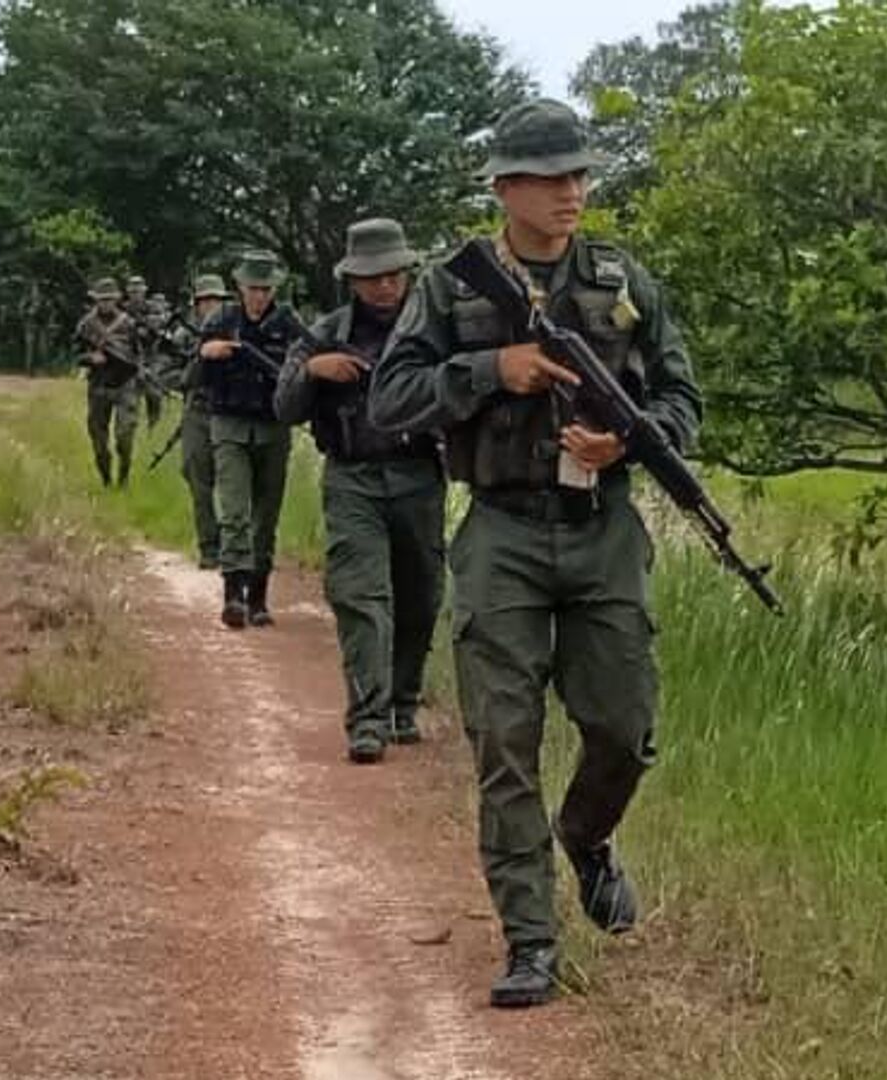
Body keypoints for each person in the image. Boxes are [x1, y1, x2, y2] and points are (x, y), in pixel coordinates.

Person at [369, 99, 702, 1008]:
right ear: (505, 187)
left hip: (603, 530)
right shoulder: (450, 287)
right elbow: (389, 401)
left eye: (581, 174)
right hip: (503, 532)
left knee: (623, 728)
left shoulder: (621, 278)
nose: (573, 191)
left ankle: (587, 838)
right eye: (553, 177)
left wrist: (627, 442)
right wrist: (490, 371)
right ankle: (531, 943)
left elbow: (682, 397)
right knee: (504, 743)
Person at [277, 219, 445, 765]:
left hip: (419, 474)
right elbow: (284, 408)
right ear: (353, 279)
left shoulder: (433, 331)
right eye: (372, 276)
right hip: (352, 477)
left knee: (420, 594)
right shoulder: (324, 333)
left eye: (393, 274)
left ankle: (402, 702)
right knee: (360, 595)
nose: (384, 286)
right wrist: (313, 373)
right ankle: (367, 719)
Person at [198, 250, 302, 629]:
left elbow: (303, 369)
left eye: (266, 288)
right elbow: (197, 371)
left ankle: (258, 596)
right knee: (235, 512)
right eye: (253, 288)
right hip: (229, 424)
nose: (259, 296)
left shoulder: (289, 322)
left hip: (273, 427)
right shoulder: (222, 320)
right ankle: (233, 594)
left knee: (266, 514)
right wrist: (209, 352)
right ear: (239, 287)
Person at [156, 273, 228, 568]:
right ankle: (209, 548)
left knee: (234, 485)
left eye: (216, 300)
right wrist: (192, 372)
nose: (210, 306)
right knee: (198, 480)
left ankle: (234, 543)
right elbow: (164, 374)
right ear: (196, 305)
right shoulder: (183, 337)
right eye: (205, 301)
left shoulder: (237, 331)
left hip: (231, 415)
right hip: (197, 413)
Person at [74, 277, 141, 488]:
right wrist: (90, 359)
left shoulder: (128, 323)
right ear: (95, 300)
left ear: (117, 300)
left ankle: (124, 474)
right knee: (99, 440)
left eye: (110, 299)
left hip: (125, 384)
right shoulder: (86, 325)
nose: (106, 304)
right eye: (102, 300)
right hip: (99, 385)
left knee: (124, 435)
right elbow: (75, 353)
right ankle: (106, 480)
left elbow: (140, 354)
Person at [123, 275, 167, 429]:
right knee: (129, 395)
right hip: (129, 357)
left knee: (154, 393)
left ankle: (153, 426)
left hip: (152, 355)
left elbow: (161, 323)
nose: (135, 294)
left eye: (138, 290)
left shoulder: (153, 307)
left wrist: (146, 325)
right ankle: (130, 426)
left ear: (144, 291)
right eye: (133, 291)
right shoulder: (123, 309)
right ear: (128, 292)